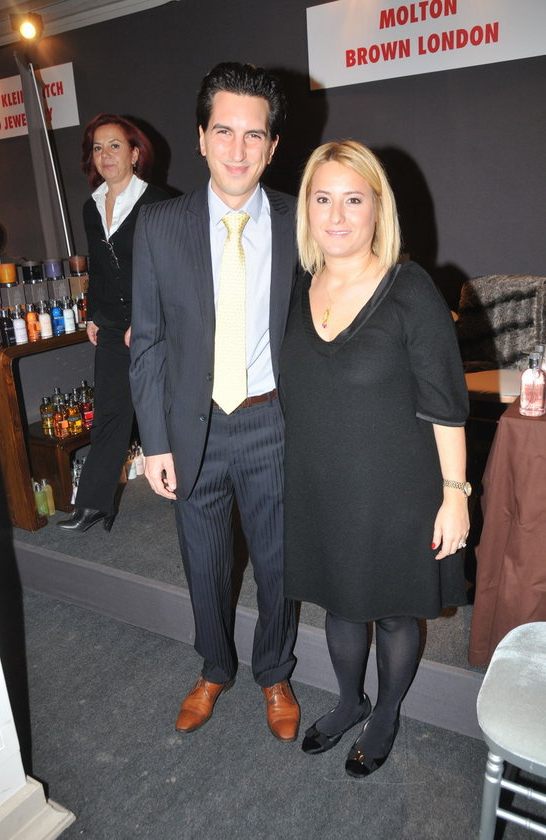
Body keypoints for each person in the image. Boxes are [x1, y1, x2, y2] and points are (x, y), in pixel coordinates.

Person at [280, 140, 470, 776]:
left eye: (353, 200)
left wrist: (455, 497)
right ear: (307, 209)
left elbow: (446, 405)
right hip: (322, 487)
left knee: (391, 611)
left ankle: (385, 713)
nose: (337, 215)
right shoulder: (297, 287)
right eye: (323, 198)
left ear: (377, 209)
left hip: (396, 492)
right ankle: (349, 701)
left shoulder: (409, 289)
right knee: (339, 605)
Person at [129, 63, 299, 741]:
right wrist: (154, 441)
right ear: (200, 137)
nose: (237, 149)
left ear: (272, 146)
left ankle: (275, 671)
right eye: (223, 131)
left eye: (253, 135)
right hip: (191, 427)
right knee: (204, 565)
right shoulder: (158, 225)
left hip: (272, 421)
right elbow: (147, 342)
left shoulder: (298, 220)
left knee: (279, 565)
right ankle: (214, 667)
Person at [57, 114, 169, 533]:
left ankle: (192, 488)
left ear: (135, 153)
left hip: (155, 323)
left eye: (115, 146)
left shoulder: (159, 202)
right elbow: (99, 268)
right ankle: (93, 504)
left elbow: (171, 271)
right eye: (98, 148)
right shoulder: (92, 205)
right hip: (110, 325)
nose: (105, 155)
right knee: (108, 413)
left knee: (169, 408)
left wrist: (147, 320)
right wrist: (92, 314)